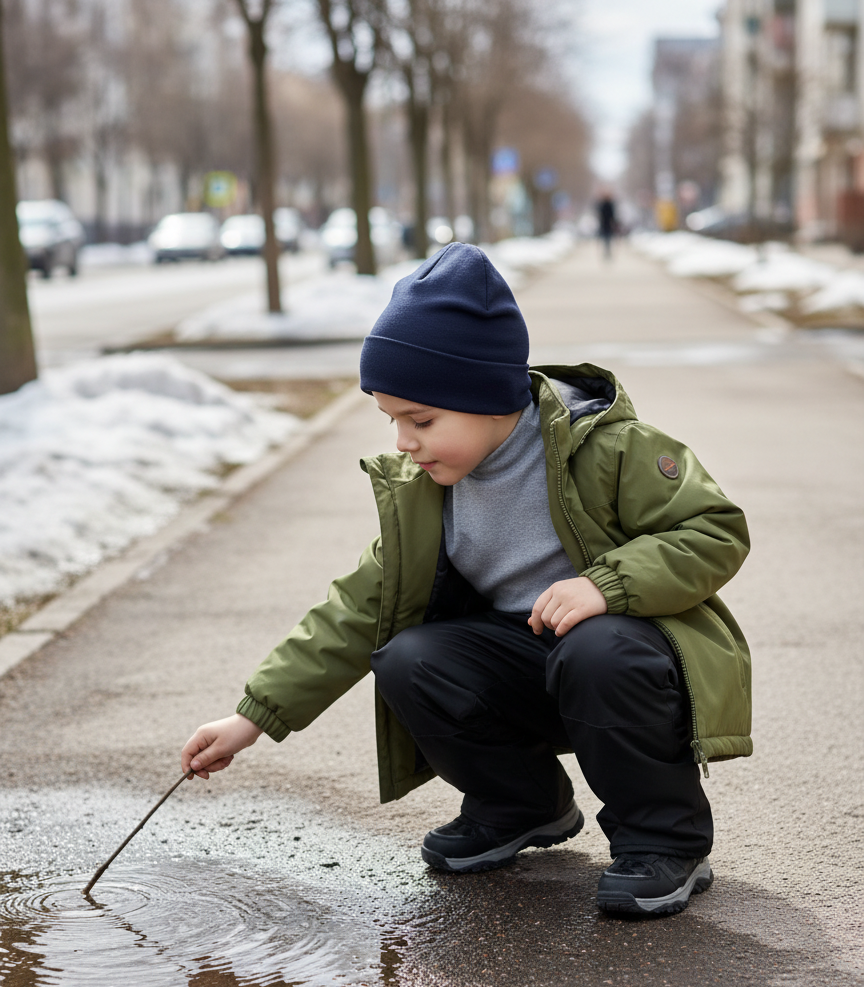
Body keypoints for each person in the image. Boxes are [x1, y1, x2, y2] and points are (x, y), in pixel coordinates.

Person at [181, 243, 751, 918]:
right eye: (392, 419)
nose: (403, 441)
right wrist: (254, 717)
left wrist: (605, 586)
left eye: (421, 420)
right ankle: (523, 804)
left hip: (624, 661)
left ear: (487, 398)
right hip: (525, 665)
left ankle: (665, 841)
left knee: (598, 648)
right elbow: (356, 608)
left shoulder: (609, 448)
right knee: (407, 658)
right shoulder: (429, 491)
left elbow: (716, 530)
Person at [596, 191, 616, 258]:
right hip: (605, 225)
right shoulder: (605, 205)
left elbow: (612, 215)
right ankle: (607, 251)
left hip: (606, 225)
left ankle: (607, 251)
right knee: (606, 239)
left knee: (607, 239)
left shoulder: (608, 205)